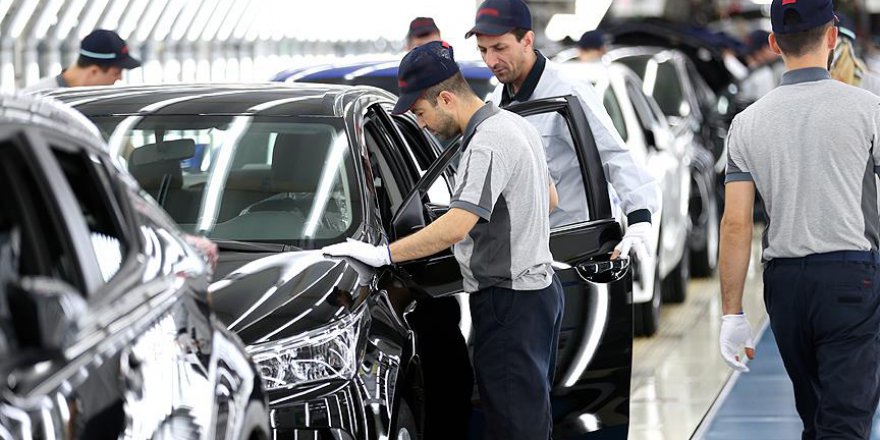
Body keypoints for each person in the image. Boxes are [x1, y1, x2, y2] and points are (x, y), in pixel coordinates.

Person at [323, 40, 564, 440]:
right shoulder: (515, 123)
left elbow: (456, 226)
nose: (420, 124)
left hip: (509, 302)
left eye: (419, 111)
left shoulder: (487, 142)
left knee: (513, 429)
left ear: (446, 99)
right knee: (531, 420)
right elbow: (551, 200)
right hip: (541, 294)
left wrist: (382, 253)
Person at [719, 0, 880, 438]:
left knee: (816, 418)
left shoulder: (746, 123)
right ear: (832, 36)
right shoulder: (868, 109)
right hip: (851, 280)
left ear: (773, 43)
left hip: (785, 287)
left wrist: (732, 313)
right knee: (845, 421)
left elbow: (735, 224)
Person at [466, 0, 658, 261]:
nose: (491, 60)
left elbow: (613, 155)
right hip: (522, 252)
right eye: (483, 50)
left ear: (527, 40)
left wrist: (639, 220)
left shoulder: (568, 92)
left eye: (500, 48)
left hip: (574, 248)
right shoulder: (498, 100)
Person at [23, 29, 141, 93]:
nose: (120, 78)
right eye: (117, 73)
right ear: (93, 71)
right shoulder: (39, 99)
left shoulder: (99, 100)